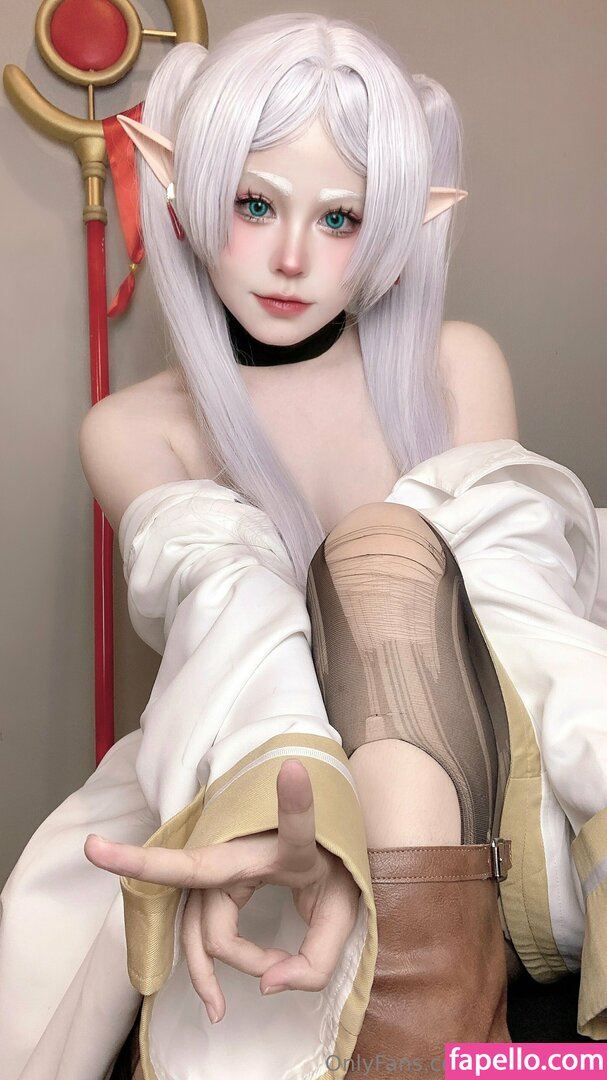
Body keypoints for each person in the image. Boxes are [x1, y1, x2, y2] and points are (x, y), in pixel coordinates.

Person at [1, 12, 606, 1080]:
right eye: (254, 203)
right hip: (263, 746)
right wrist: (296, 809)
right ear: (185, 192)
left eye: (339, 217)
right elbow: (229, 619)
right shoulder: (136, 428)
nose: (291, 257)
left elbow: (522, 617)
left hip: (495, 786)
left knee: (378, 557)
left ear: (399, 229)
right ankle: (441, 1044)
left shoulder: (455, 363)